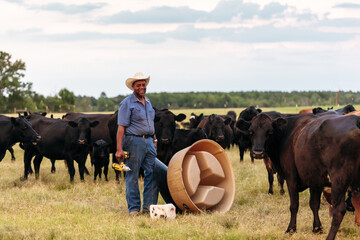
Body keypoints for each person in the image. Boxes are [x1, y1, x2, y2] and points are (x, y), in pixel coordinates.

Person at [115, 72, 158, 216]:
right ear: (133, 87)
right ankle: (134, 209)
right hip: (133, 141)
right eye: (138, 85)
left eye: (143, 84)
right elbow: (121, 128)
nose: (142, 87)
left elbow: (150, 123)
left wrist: (154, 139)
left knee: (153, 172)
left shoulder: (148, 102)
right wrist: (119, 149)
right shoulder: (127, 103)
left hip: (149, 141)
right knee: (132, 174)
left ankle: (148, 208)